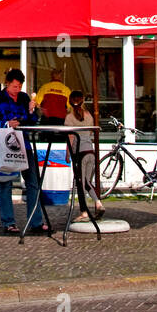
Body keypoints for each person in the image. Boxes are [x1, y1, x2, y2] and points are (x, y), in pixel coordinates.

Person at [0, 68, 42, 235]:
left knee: (33, 182)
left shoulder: (24, 98)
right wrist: (6, 123)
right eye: (15, 87)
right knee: (5, 182)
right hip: (6, 144)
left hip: (23, 143)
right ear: (8, 84)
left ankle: (36, 221)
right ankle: (8, 222)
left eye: (19, 87)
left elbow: (33, 122)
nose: (17, 90)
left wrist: (32, 111)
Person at [66, 90, 103, 220]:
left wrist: (67, 154)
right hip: (90, 152)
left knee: (80, 183)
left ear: (70, 102)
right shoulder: (89, 116)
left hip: (79, 153)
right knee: (87, 181)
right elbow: (91, 134)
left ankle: (84, 212)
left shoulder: (69, 118)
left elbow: (70, 138)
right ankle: (98, 203)